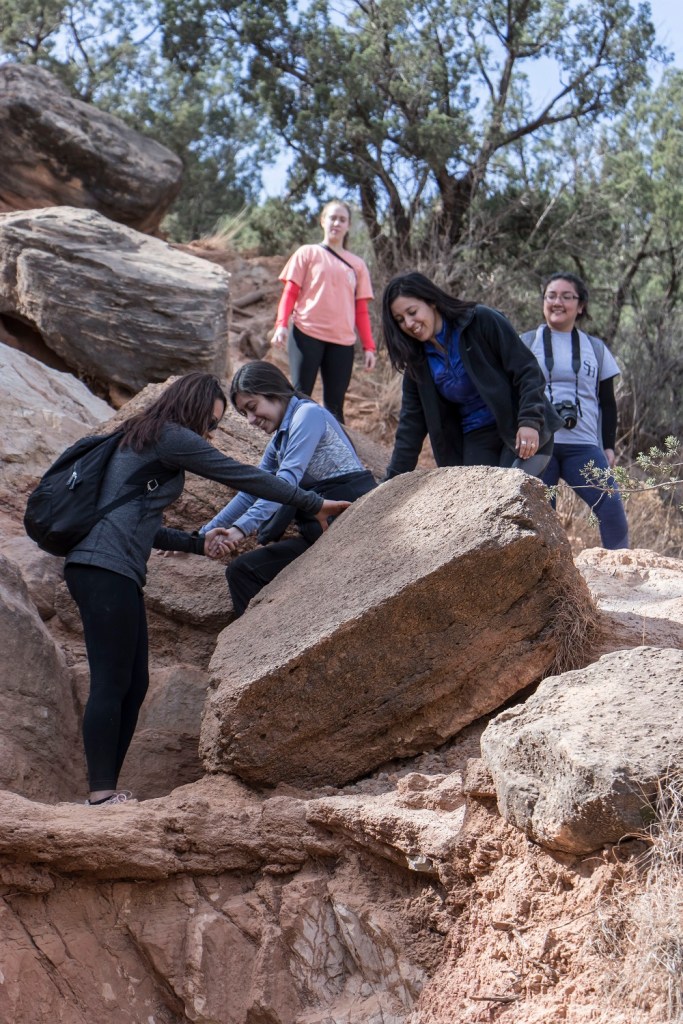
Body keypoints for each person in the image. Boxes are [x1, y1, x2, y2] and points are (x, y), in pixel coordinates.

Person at [63, 372, 350, 806]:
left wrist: (199, 540)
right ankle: (101, 793)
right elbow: (242, 477)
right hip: (102, 567)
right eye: (213, 422)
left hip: (113, 569)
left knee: (134, 683)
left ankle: (109, 790)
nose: (211, 432)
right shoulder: (171, 436)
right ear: (194, 408)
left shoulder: (147, 437)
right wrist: (311, 503)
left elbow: (143, 526)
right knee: (112, 680)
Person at [202, 361, 376, 617]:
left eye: (252, 407)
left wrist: (240, 530)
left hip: (348, 524)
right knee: (241, 571)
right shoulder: (279, 440)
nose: (251, 420)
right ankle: (257, 648)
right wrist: (202, 535)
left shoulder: (308, 415)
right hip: (318, 532)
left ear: (275, 392)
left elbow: (283, 485)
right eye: (244, 413)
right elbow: (254, 490)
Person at [382, 272, 563, 478]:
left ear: (431, 301)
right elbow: (410, 428)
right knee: (480, 502)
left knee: (510, 490)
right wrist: (390, 482)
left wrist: (529, 422)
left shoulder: (480, 320)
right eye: (400, 320)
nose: (409, 323)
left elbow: (527, 370)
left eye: (412, 312)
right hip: (476, 438)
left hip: (520, 427)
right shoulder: (418, 365)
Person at [521, 272, 629, 549]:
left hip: (583, 445)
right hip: (539, 447)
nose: (558, 302)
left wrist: (608, 446)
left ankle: (620, 575)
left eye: (566, 297)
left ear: (580, 306)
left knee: (612, 509)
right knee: (536, 519)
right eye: (551, 296)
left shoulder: (596, 348)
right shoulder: (525, 342)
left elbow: (607, 401)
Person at [270, 199, 377, 423]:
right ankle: (289, 448)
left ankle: (332, 454)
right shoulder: (307, 253)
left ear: (348, 225)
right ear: (322, 221)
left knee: (335, 406)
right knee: (299, 396)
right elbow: (290, 293)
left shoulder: (357, 265)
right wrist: (281, 325)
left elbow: (361, 311)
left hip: (342, 342)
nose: (336, 223)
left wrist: (369, 347)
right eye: (332, 217)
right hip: (306, 333)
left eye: (342, 219)